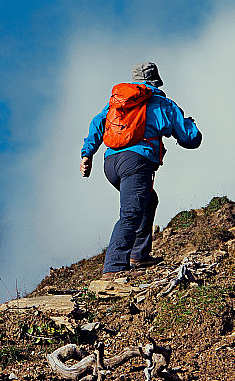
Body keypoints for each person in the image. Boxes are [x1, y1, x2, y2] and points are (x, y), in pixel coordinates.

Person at [80, 62, 202, 279]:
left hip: (111, 164)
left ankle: (139, 254)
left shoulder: (117, 103)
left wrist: (87, 154)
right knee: (130, 213)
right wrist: (191, 125)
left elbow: (97, 124)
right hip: (136, 163)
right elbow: (190, 139)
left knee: (148, 200)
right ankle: (114, 267)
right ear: (155, 81)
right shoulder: (163, 103)